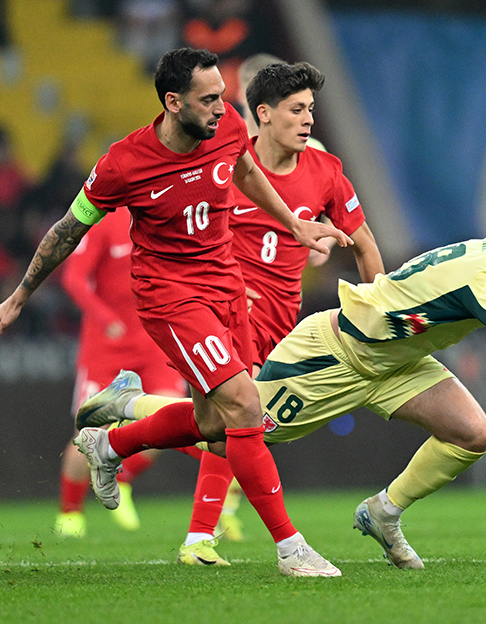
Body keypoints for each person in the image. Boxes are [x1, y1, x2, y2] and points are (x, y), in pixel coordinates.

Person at [79, 224, 486, 570]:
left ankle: (382, 513)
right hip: (335, 355)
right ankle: (119, 428)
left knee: (473, 433)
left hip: (398, 362)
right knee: (231, 427)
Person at [0, 47, 353, 578]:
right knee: (248, 408)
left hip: (226, 285)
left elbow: (245, 171)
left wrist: (294, 227)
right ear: (173, 102)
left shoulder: (223, 127)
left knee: (214, 424)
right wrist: (20, 295)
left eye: (222, 96)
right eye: (208, 100)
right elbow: (69, 229)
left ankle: (110, 442)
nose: (222, 109)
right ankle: (291, 548)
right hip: (171, 297)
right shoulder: (123, 163)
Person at [178, 60, 385, 565]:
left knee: (224, 426)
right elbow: (191, 232)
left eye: (311, 109)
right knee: (238, 417)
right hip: (223, 309)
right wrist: (217, 285)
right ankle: (209, 540)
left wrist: (378, 310)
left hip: (280, 320)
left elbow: (364, 244)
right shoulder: (227, 166)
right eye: (297, 110)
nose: (308, 119)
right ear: (263, 114)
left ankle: (125, 419)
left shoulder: (327, 172)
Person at [54, 208, 189, 538]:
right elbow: (73, 278)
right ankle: (70, 514)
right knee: (86, 436)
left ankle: (120, 477)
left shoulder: (165, 215)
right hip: (106, 348)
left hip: (155, 342)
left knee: (172, 418)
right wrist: (105, 319)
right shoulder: (103, 223)